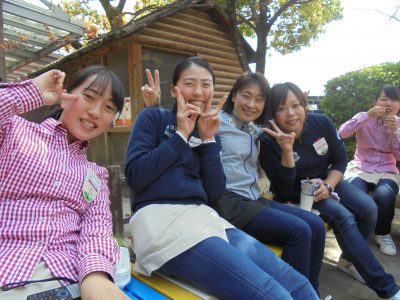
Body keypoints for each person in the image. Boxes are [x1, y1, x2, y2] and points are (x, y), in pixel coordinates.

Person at [125, 56, 319, 300]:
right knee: (275, 295)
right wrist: (180, 135)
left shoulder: (207, 130)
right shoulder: (154, 117)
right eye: (190, 83)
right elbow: (135, 176)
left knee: (299, 285)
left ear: (213, 92)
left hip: (206, 219)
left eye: (206, 85)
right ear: (175, 90)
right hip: (162, 223)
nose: (198, 91)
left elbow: (215, 192)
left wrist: (208, 142)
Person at [259, 81, 400, 299]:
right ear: (273, 112)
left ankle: (349, 260)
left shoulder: (320, 123)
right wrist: (287, 151)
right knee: (344, 216)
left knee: (369, 207)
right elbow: (283, 188)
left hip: (327, 180)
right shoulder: (268, 140)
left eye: (295, 105)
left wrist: (329, 185)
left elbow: (339, 160)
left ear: (304, 105)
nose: (290, 114)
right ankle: (388, 288)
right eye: (281, 108)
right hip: (298, 193)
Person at [0, 66, 129, 300]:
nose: (96, 112)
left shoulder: (95, 175)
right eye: (89, 97)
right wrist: (35, 91)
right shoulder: (13, 131)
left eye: (108, 108)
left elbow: (97, 229)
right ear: (66, 95)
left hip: (66, 280)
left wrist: (97, 277)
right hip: (8, 268)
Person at [211, 72, 326, 294]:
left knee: (316, 225)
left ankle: (312, 294)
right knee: (299, 231)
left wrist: (287, 150)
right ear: (234, 95)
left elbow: (282, 186)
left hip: (254, 199)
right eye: (246, 96)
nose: (252, 104)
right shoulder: (215, 123)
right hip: (229, 202)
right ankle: (296, 295)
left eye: (259, 99)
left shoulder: (256, 131)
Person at [339, 85, 400, 256]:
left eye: (394, 99)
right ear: (375, 102)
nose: (389, 103)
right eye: (384, 99)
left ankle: (382, 233)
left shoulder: (399, 124)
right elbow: (342, 133)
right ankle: (357, 232)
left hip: (386, 169)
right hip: (361, 166)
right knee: (357, 194)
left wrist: (395, 131)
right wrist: (367, 116)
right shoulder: (363, 117)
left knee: (384, 195)